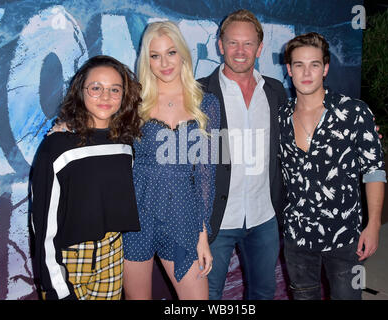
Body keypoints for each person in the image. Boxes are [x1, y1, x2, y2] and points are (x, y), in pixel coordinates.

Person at [278, 32, 386, 300]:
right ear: (289, 69)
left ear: (325, 69)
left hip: (344, 237)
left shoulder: (354, 112)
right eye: (299, 65)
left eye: (314, 64)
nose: (306, 72)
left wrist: (374, 225)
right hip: (297, 238)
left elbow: (374, 170)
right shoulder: (279, 117)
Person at [30, 55, 142, 300]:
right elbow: (43, 225)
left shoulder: (125, 142)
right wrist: (55, 286)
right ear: (80, 91)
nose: (105, 96)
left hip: (112, 254)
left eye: (115, 89)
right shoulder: (57, 146)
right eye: (96, 88)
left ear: (124, 96)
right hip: (69, 260)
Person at [122, 21, 220, 300]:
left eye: (171, 52)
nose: (164, 62)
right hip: (137, 212)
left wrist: (202, 235)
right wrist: (66, 127)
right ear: (147, 60)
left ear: (183, 54)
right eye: (155, 55)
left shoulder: (206, 103)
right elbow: (99, 124)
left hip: (183, 213)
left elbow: (205, 175)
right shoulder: (134, 99)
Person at [198, 9, 287, 300]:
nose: (240, 51)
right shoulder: (198, 93)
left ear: (260, 48)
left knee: (263, 292)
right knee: (208, 295)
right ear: (220, 45)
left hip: (264, 216)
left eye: (248, 43)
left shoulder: (274, 92)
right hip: (216, 221)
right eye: (233, 43)